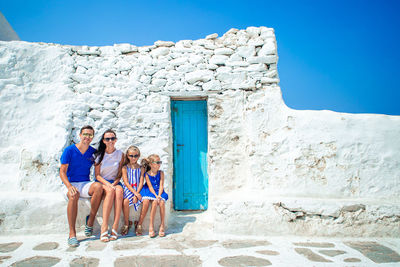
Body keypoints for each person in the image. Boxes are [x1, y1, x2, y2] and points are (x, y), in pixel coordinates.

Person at [59, 125, 105, 247]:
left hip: (84, 183)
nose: (87, 137)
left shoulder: (93, 152)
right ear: (80, 135)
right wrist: (69, 187)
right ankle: (72, 234)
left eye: (90, 135)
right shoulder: (69, 150)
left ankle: (90, 221)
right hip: (70, 183)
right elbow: (62, 172)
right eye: (85, 134)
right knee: (74, 195)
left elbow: (98, 170)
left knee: (98, 187)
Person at [94, 129, 124, 242]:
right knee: (111, 191)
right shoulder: (99, 155)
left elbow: (120, 174)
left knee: (119, 191)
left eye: (112, 138)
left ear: (115, 140)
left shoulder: (120, 154)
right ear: (104, 141)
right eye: (107, 139)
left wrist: (114, 184)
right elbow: (97, 175)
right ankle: (104, 227)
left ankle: (115, 226)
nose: (110, 141)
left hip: (115, 181)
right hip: (102, 181)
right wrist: (108, 185)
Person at [139, 154, 168, 238]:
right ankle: (151, 225)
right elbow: (150, 186)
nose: (159, 164)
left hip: (160, 191)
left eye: (160, 162)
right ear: (151, 164)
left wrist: (159, 195)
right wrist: (155, 196)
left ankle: (162, 224)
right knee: (154, 202)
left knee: (162, 203)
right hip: (151, 191)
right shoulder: (147, 174)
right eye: (157, 162)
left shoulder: (161, 173)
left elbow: (161, 185)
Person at [120, 145, 144, 236]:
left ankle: (139, 224)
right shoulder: (125, 168)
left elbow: (141, 181)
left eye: (135, 156)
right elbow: (126, 182)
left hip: (138, 188)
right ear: (127, 156)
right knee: (125, 201)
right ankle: (126, 223)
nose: (133, 158)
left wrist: (137, 194)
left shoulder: (141, 168)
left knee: (144, 201)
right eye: (131, 156)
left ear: (138, 156)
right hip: (129, 189)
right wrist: (135, 193)